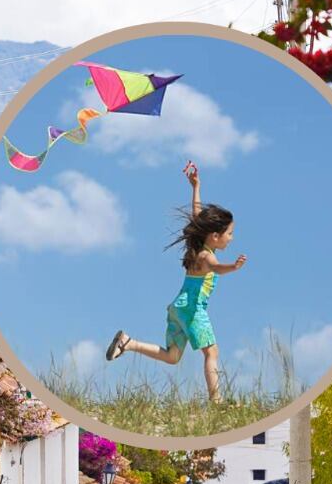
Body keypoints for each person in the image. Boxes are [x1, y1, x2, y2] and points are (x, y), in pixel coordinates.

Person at [105, 161, 248, 403]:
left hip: (177, 308)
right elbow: (216, 268)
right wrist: (233, 267)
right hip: (192, 310)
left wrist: (196, 187)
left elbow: (197, 217)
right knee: (211, 352)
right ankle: (217, 402)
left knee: (172, 357)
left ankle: (128, 343)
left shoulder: (200, 247)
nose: (232, 238)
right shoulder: (206, 256)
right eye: (230, 234)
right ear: (215, 236)